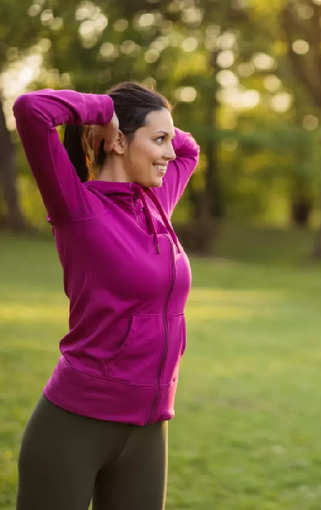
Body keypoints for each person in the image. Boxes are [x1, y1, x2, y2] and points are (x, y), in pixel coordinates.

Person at [13, 82, 200, 510]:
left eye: (167, 139)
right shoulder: (76, 208)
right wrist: (105, 110)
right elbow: (30, 109)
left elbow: (189, 150)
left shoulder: (155, 202)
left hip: (150, 429)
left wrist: (156, 123)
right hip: (75, 425)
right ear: (117, 141)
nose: (170, 152)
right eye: (158, 140)